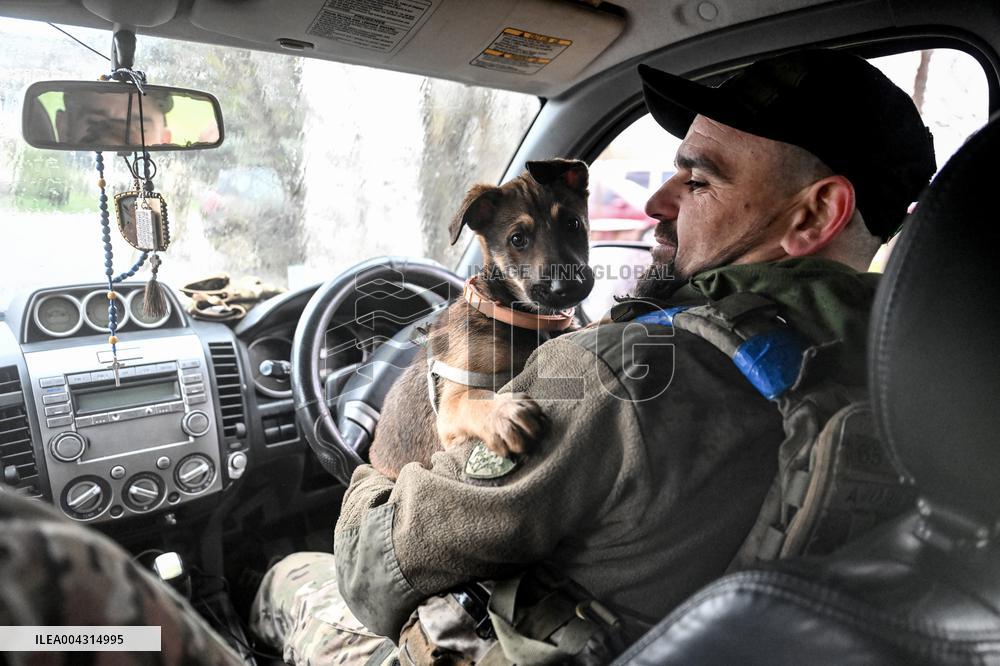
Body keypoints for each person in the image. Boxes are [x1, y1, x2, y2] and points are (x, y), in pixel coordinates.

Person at [0, 48, 935, 665]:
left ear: (815, 214)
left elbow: (371, 581)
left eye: (699, 178)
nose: (656, 204)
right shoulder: (924, 375)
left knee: (288, 572)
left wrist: (376, 466)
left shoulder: (610, 378)